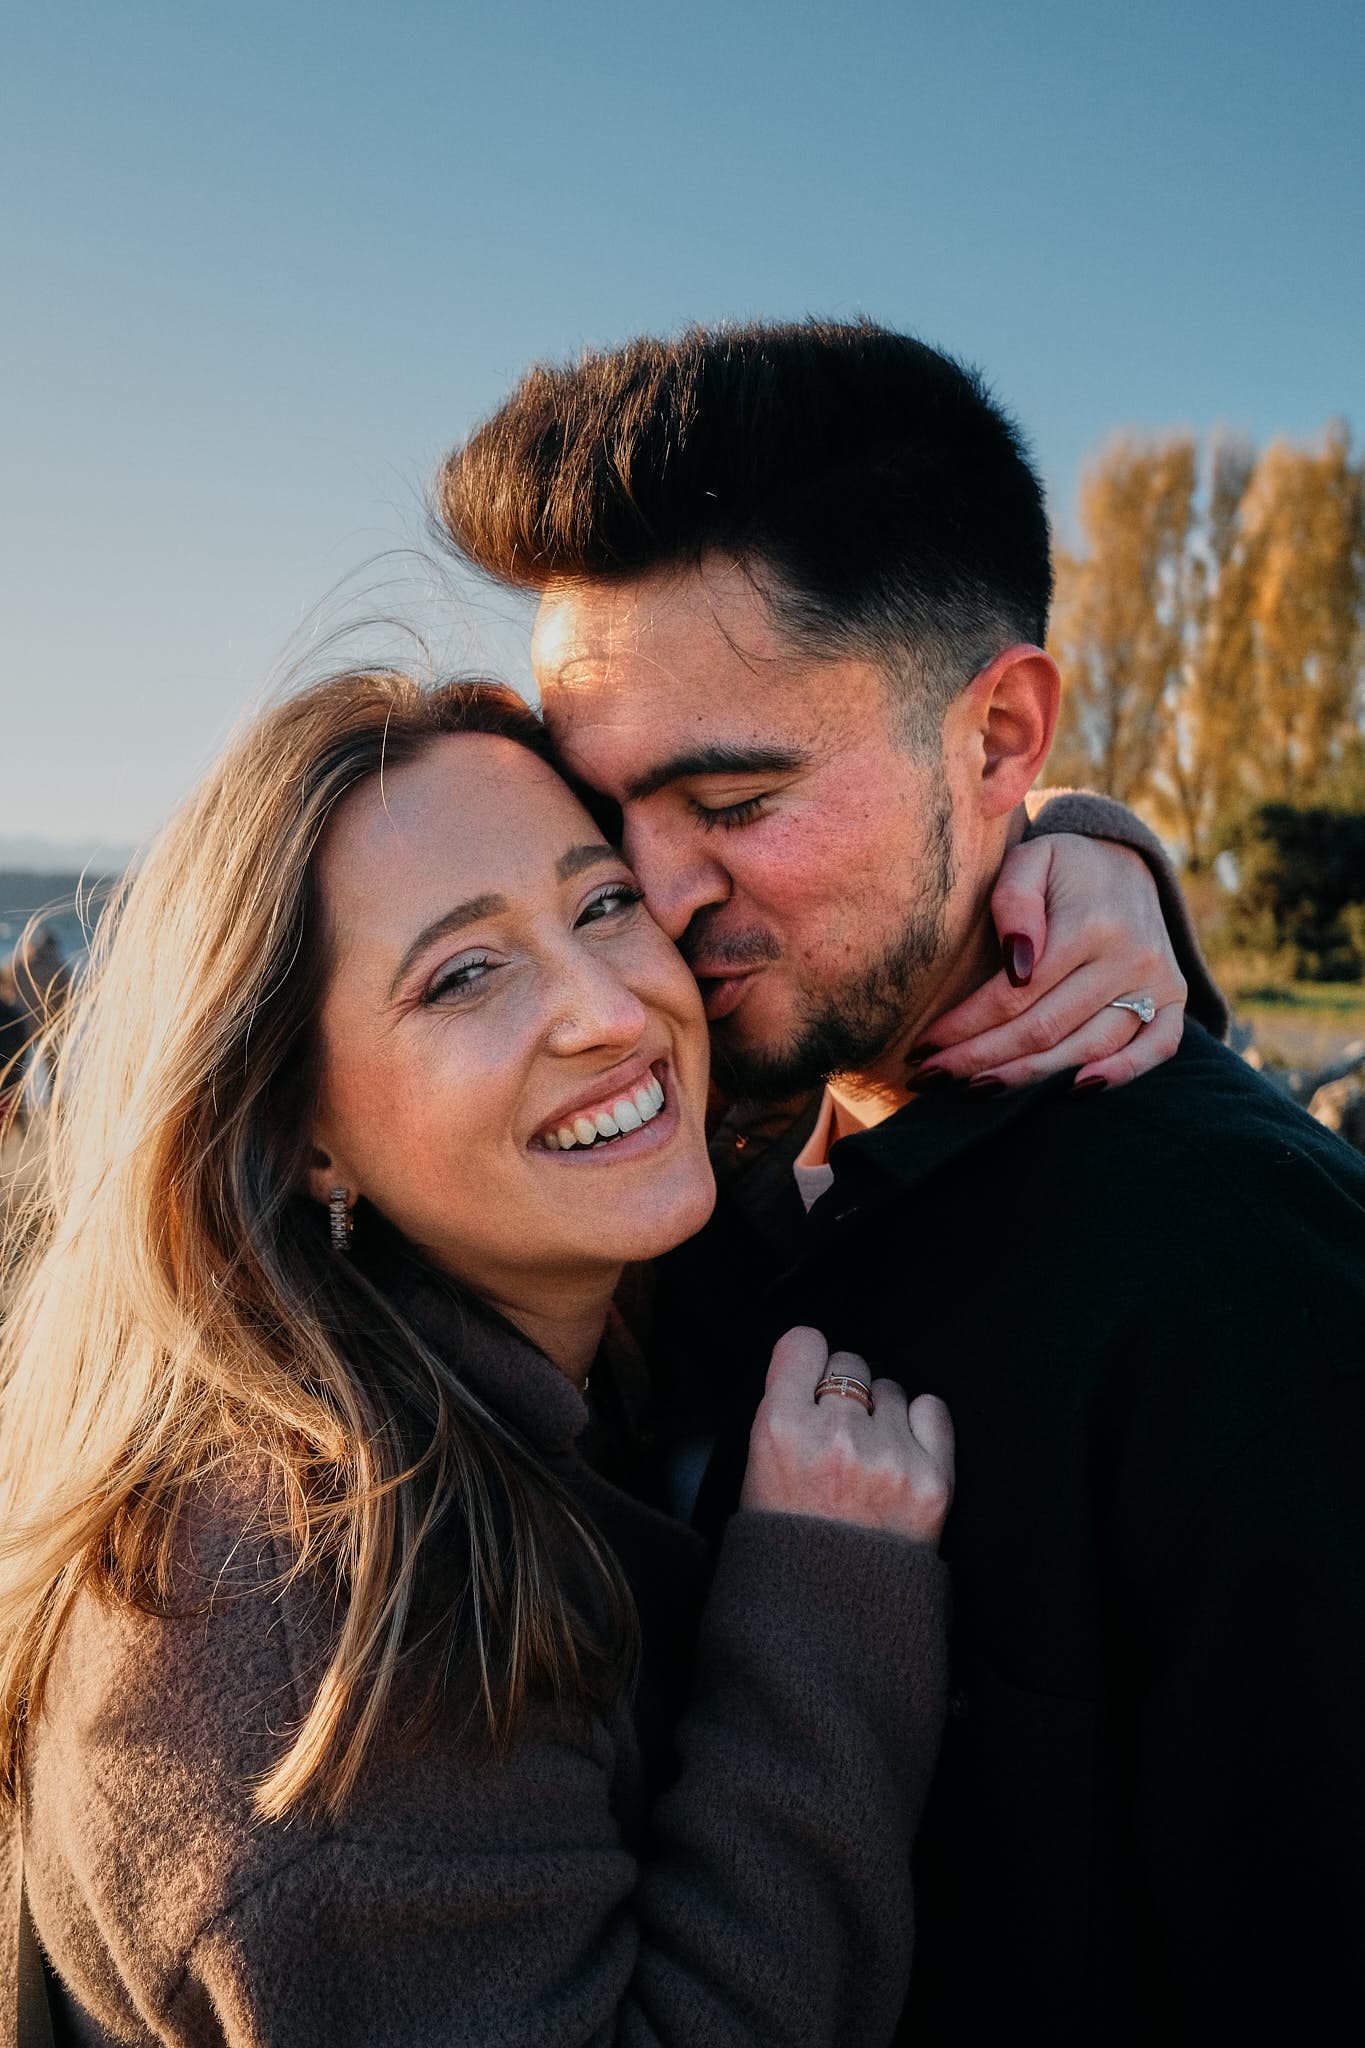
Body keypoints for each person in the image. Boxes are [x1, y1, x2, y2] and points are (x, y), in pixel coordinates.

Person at [436, 318, 1365, 2042]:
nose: (648, 901)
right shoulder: (647, 1176)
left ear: (999, 739)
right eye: (600, 815)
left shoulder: (1249, 1284)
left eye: (734, 798)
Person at [0, 673, 955, 2046]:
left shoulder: (574, 1294)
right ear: (296, 1134)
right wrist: (826, 1606)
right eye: (464, 974)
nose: (609, 1010)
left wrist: (1063, 873)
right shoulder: (302, 1622)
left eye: (603, 904)